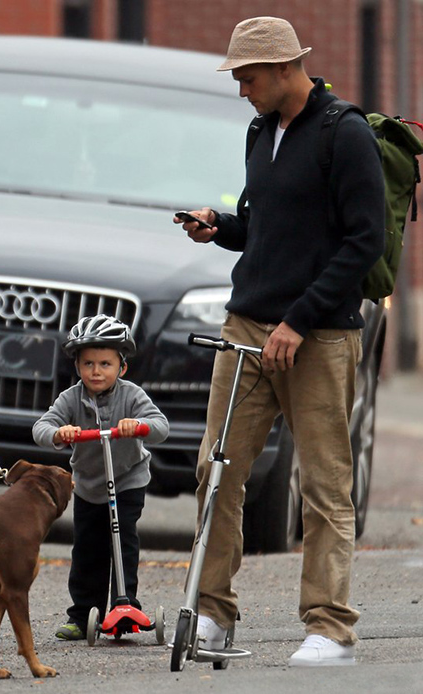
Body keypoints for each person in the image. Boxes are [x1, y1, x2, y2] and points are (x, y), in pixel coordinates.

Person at [173, 16, 384, 666]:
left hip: (316, 335)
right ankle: (211, 615)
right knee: (217, 471)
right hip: (246, 324)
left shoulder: (342, 134)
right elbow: (272, 229)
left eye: (248, 76)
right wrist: (225, 228)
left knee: (323, 482)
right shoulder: (261, 130)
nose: (241, 89)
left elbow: (363, 240)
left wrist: (300, 318)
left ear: (285, 69)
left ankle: (331, 627)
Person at [32, 314, 169, 640]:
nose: (96, 371)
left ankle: (125, 605)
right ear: (77, 366)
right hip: (90, 485)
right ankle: (82, 615)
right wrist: (59, 433)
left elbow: (161, 425)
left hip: (127, 479)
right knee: (87, 550)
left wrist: (138, 426)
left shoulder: (131, 396)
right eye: (89, 363)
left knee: (123, 543)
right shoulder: (70, 398)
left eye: (105, 364)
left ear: (121, 367)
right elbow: (41, 428)